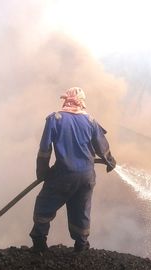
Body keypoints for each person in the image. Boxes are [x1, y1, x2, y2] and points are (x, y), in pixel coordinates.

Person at [30, 87, 116, 253]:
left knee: (44, 205)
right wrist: (110, 161)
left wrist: (43, 173)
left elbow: (44, 150)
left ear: (66, 100)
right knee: (81, 209)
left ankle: (39, 244)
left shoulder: (55, 119)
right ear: (82, 101)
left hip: (63, 175)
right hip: (86, 177)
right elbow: (102, 147)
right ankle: (81, 245)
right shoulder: (90, 121)